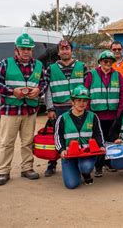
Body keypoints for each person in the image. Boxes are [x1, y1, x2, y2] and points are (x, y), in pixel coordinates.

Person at [0, 33, 47, 186]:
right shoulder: (5, 63)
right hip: (11, 110)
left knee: (27, 142)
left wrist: (39, 91)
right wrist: (12, 91)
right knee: (7, 142)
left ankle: (27, 168)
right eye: (23, 48)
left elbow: (44, 82)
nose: (26, 51)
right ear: (16, 50)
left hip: (30, 110)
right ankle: (3, 171)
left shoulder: (39, 65)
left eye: (29, 49)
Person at [44, 39, 87, 177]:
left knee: (78, 136)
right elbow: (47, 90)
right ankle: (52, 164)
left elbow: (87, 87)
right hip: (58, 109)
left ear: (71, 50)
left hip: (78, 108)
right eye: (62, 49)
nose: (65, 51)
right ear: (58, 52)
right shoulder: (51, 69)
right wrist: (50, 108)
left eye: (67, 48)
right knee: (57, 136)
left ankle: (79, 163)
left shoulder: (82, 66)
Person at [84, 50, 123, 177]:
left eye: (110, 61)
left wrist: (120, 112)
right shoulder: (91, 75)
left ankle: (108, 163)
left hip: (113, 115)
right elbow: (86, 93)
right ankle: (98, 166)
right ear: (100, 62)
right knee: (98, 141)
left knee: (111, 139)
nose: (108, 63)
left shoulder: (118, 75)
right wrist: (89, 113)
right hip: (96, 115)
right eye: (105, 61)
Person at [54, 85, 105, 189]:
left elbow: (98, 133)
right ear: (72, 102)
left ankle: (85, 172)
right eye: (78, 100)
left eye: (85, 101)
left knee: (86, 167)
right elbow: (58, 136)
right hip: (69, 155)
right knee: (72, 185)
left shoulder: (93, 116)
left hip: (87, 153)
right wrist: (62, 150)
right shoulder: (63, 118)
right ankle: (75, 170)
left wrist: (101, 145)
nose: (82, 103)